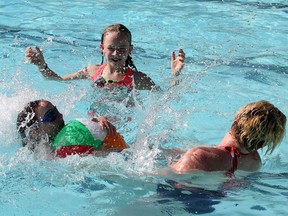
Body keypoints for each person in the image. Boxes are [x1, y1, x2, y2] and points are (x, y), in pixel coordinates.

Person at [25, 23, 185, 91]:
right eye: (111, 48)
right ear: (102, 48)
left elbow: (163, 97)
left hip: (122, 134)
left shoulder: (137, 78)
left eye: (122, 48)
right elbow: (58, 80)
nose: (116, 53)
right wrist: (41, 66)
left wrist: (175, 76)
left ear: (130, 50)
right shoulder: (92, 71)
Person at [169, 100, 286, 177]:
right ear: (261, 145)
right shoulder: (254, 163)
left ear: (235, 118)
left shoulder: (198, 156)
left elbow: (164, 176)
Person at [16, 99, 128, 158]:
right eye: (51, 116)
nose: (60, 116)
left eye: (56, 111)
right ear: (35, 132)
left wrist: (101, 121)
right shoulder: (44, 159)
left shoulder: (72, 133)